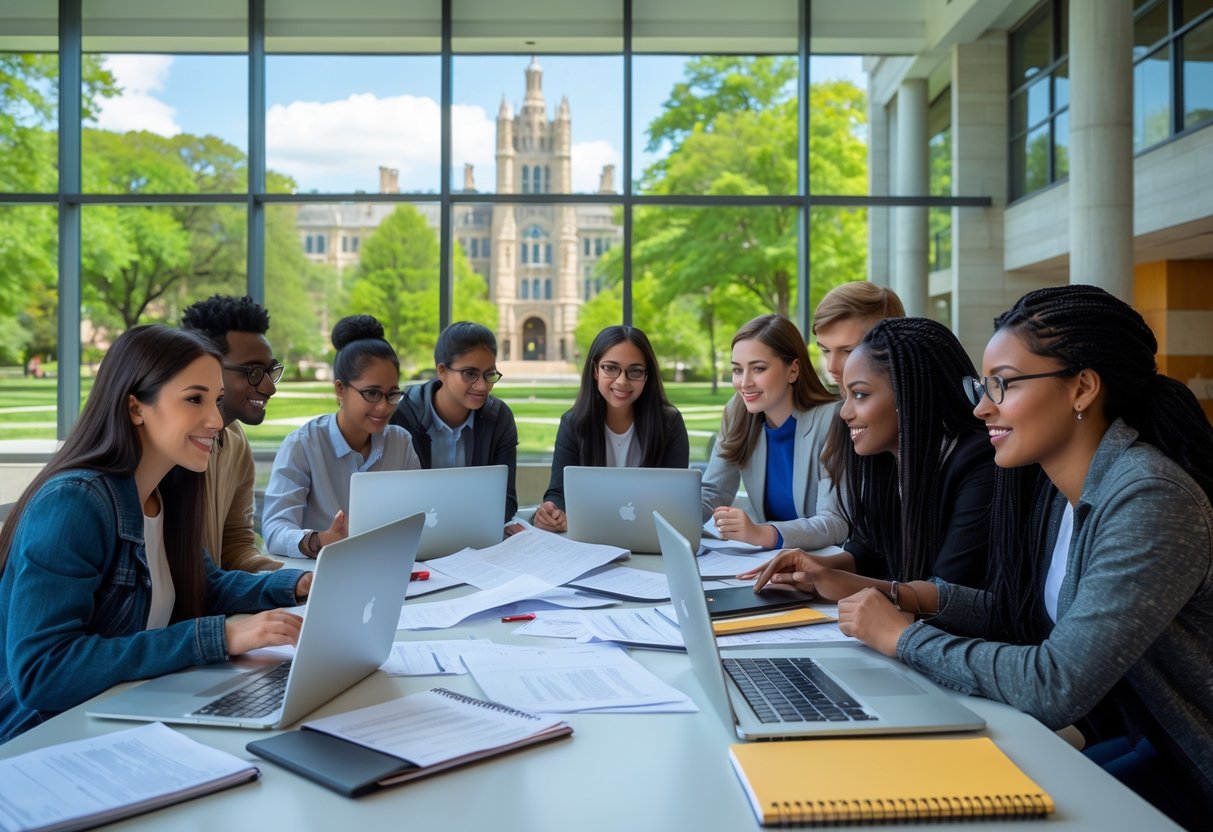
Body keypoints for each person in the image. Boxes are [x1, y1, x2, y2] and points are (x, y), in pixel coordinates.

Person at [836, 285, 1213, 825]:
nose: (982, 405)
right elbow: (1020, 617)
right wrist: (897, 596)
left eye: (1003, 385)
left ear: (1082, 388)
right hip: (1144, 741)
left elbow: (1054, 683)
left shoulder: (1149, 498)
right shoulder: (1058, 491)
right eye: (982, 385)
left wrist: (903, 636)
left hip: (1191, 771)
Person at [0, 325, 312, 743]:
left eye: (216, 400)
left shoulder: (164, 490)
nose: (217, 420)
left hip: (121, 714)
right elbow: (45, 671)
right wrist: (220, 636)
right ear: (136, 408)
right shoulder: (75, 503)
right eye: (194, 399)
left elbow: (206, 585)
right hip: (41, 737)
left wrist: (299, 584)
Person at [742, 317, 993, 598]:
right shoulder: (885, 459)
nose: (843, 412)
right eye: (845, 395)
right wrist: (815, 569)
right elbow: (871, 551)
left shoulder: (978, 464)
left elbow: (949, 594)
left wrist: (841, 584)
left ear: (909, 394)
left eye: (860, 394)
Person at [262, 315, 420, 558]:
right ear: (340, 389)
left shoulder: (400, 443)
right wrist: (320, 540)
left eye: (392, 394)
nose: (384, 407)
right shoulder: (303, 445)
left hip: (385, 565)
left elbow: (419, 515)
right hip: (318, 575)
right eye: (372, 394)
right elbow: (274, 530)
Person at [701, 314, 847, 550]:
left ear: (793, 371)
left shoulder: (831, 419)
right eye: (737, 370)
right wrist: (676, 515)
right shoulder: (737, 410)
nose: (744, 383)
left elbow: (835, 522)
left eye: (758, 368)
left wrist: (762, 534)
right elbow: (714, 490)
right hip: (768, 562)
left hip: (822, 564)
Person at [534, 326, 689, 532]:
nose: (622, 381)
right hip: (590, 543)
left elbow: (676, 499)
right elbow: (558, 493)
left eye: (635, 371)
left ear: (647, 376)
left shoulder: (669, 424)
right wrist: (551, 511)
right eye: (610, 368)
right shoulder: (573, 423)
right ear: (595, 370)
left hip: (651, 538)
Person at [182, 294, 283, 572]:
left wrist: (289, 577)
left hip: (213, 601)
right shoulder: (173, 447)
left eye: (270, 371)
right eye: (253, 372)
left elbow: (235, 543)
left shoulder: (236, 441)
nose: (270, 387)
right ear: (205, 367)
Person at [390, 321, 519, 523]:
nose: (482, 386)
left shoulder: (499, 418)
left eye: (489, 374)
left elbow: (507, 500)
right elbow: (392, 499)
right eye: (470, 373)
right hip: (414, 539)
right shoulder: (403, 415)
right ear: (442, 371)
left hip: (476, 538)